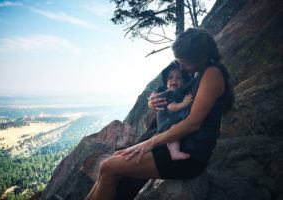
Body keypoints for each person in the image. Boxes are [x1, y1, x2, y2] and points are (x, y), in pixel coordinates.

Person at [84, 28, 234, 200]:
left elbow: (193, 122)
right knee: (115, 159)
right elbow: (170, 93)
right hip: (176, 144)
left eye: (185, 63)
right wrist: (151, 102)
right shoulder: (198, 71)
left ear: (200, 57)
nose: (182, 66)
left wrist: (149, 143)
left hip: (189, 155)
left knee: (108, 167)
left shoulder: (212, 74)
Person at [156, 63, 193, 160]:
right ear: (166, 81)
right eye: (170, 78)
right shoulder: (168, 94)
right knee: (174, 130)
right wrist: (184, 104)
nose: (174, 80)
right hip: (166, 123)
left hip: (171, 120)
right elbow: (171, 107)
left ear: (184, 81)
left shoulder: (178, 92)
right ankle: (174, 152)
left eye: (179, 78)